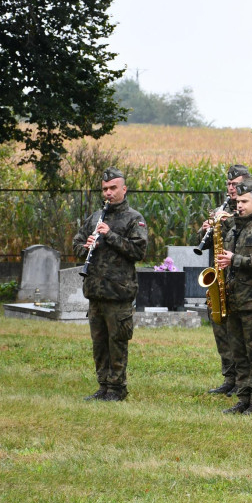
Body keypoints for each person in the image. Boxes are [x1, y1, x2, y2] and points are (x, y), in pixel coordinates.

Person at [72, 167, 148, 402]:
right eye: (105, 189)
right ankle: (103, 385)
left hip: (119, 292)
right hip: (96, 291)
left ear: (124, 189)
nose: (108, 193)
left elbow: (139, 251)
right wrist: (85, 246)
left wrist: (111, 236)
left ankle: (117, 388)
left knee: (117, 342)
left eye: (113, 188)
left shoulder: (134, 218)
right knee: (99, 344)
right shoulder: (95, 217)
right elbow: (76, 243)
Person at [214, 179, 252, 415]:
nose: (239, 205)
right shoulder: (232, 228)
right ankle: (243, 398)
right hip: (234, 300)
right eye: (237, 201)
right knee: (239, 354)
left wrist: (235, 260)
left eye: (244, 201)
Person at [202, 164, 250, 396]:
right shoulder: (222, 208)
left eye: (236, 184)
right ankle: (229, 377)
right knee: (221, 330)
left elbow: (245, 235)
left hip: (240, 281)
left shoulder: (248, 208)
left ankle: (242, 380)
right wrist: (208, 229)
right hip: (221, 277)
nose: (232, 189)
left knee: (238, 336)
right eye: (229, 184)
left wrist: (225, 222)